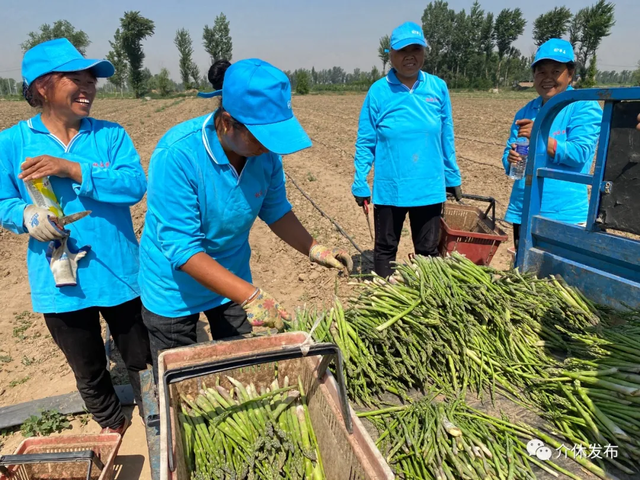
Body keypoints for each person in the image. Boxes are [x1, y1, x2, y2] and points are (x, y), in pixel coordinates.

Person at [139, 58, 353, 378]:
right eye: (261, 136)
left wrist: (315, 249)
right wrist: (251, 296)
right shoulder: (178, 155)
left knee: (244, 370)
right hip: (174, 288)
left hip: (231, 276)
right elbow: (182, 249)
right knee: (185, 381)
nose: (269, 147)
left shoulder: (264, 157)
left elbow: (276, 210)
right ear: (227, 122)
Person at [0, 39, 151, 435]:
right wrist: (28, 216)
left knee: (140, 356)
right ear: (42, 87)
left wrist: (72, 169)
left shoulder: (111, 136)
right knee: (86, 364)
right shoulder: (12, 142)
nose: (89, 87)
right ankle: (111, 425)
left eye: (92, 79)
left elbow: (134, 185)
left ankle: (154, 416)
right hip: (60, 280)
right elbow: (3, 202)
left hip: (120, 271)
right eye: (77, 78)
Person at [351, 21, 462, 279]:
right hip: (391, 188)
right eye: (402, 51)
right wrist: (360, 180)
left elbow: (447, 136)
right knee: (386, 248)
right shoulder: (378, 92)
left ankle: (427, 305)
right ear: (391, 55)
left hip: (428, 187)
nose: (410, 56)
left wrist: (453, 175)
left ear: (424, 51)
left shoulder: (437, 87)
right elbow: (365, 140)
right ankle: (383, 295)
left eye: (416, 49)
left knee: (428, 251)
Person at [503, 39, 602, 250]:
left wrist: (539, 137)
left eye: (555, 71)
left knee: (560, 279)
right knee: (525, 277)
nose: (547, 78)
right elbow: (511, 160)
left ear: (570, 73)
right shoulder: (526, 112)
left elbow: (579, 154)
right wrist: (511, 160)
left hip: (563, 214)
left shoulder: (583, 106)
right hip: (525, 208)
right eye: (541, 72)